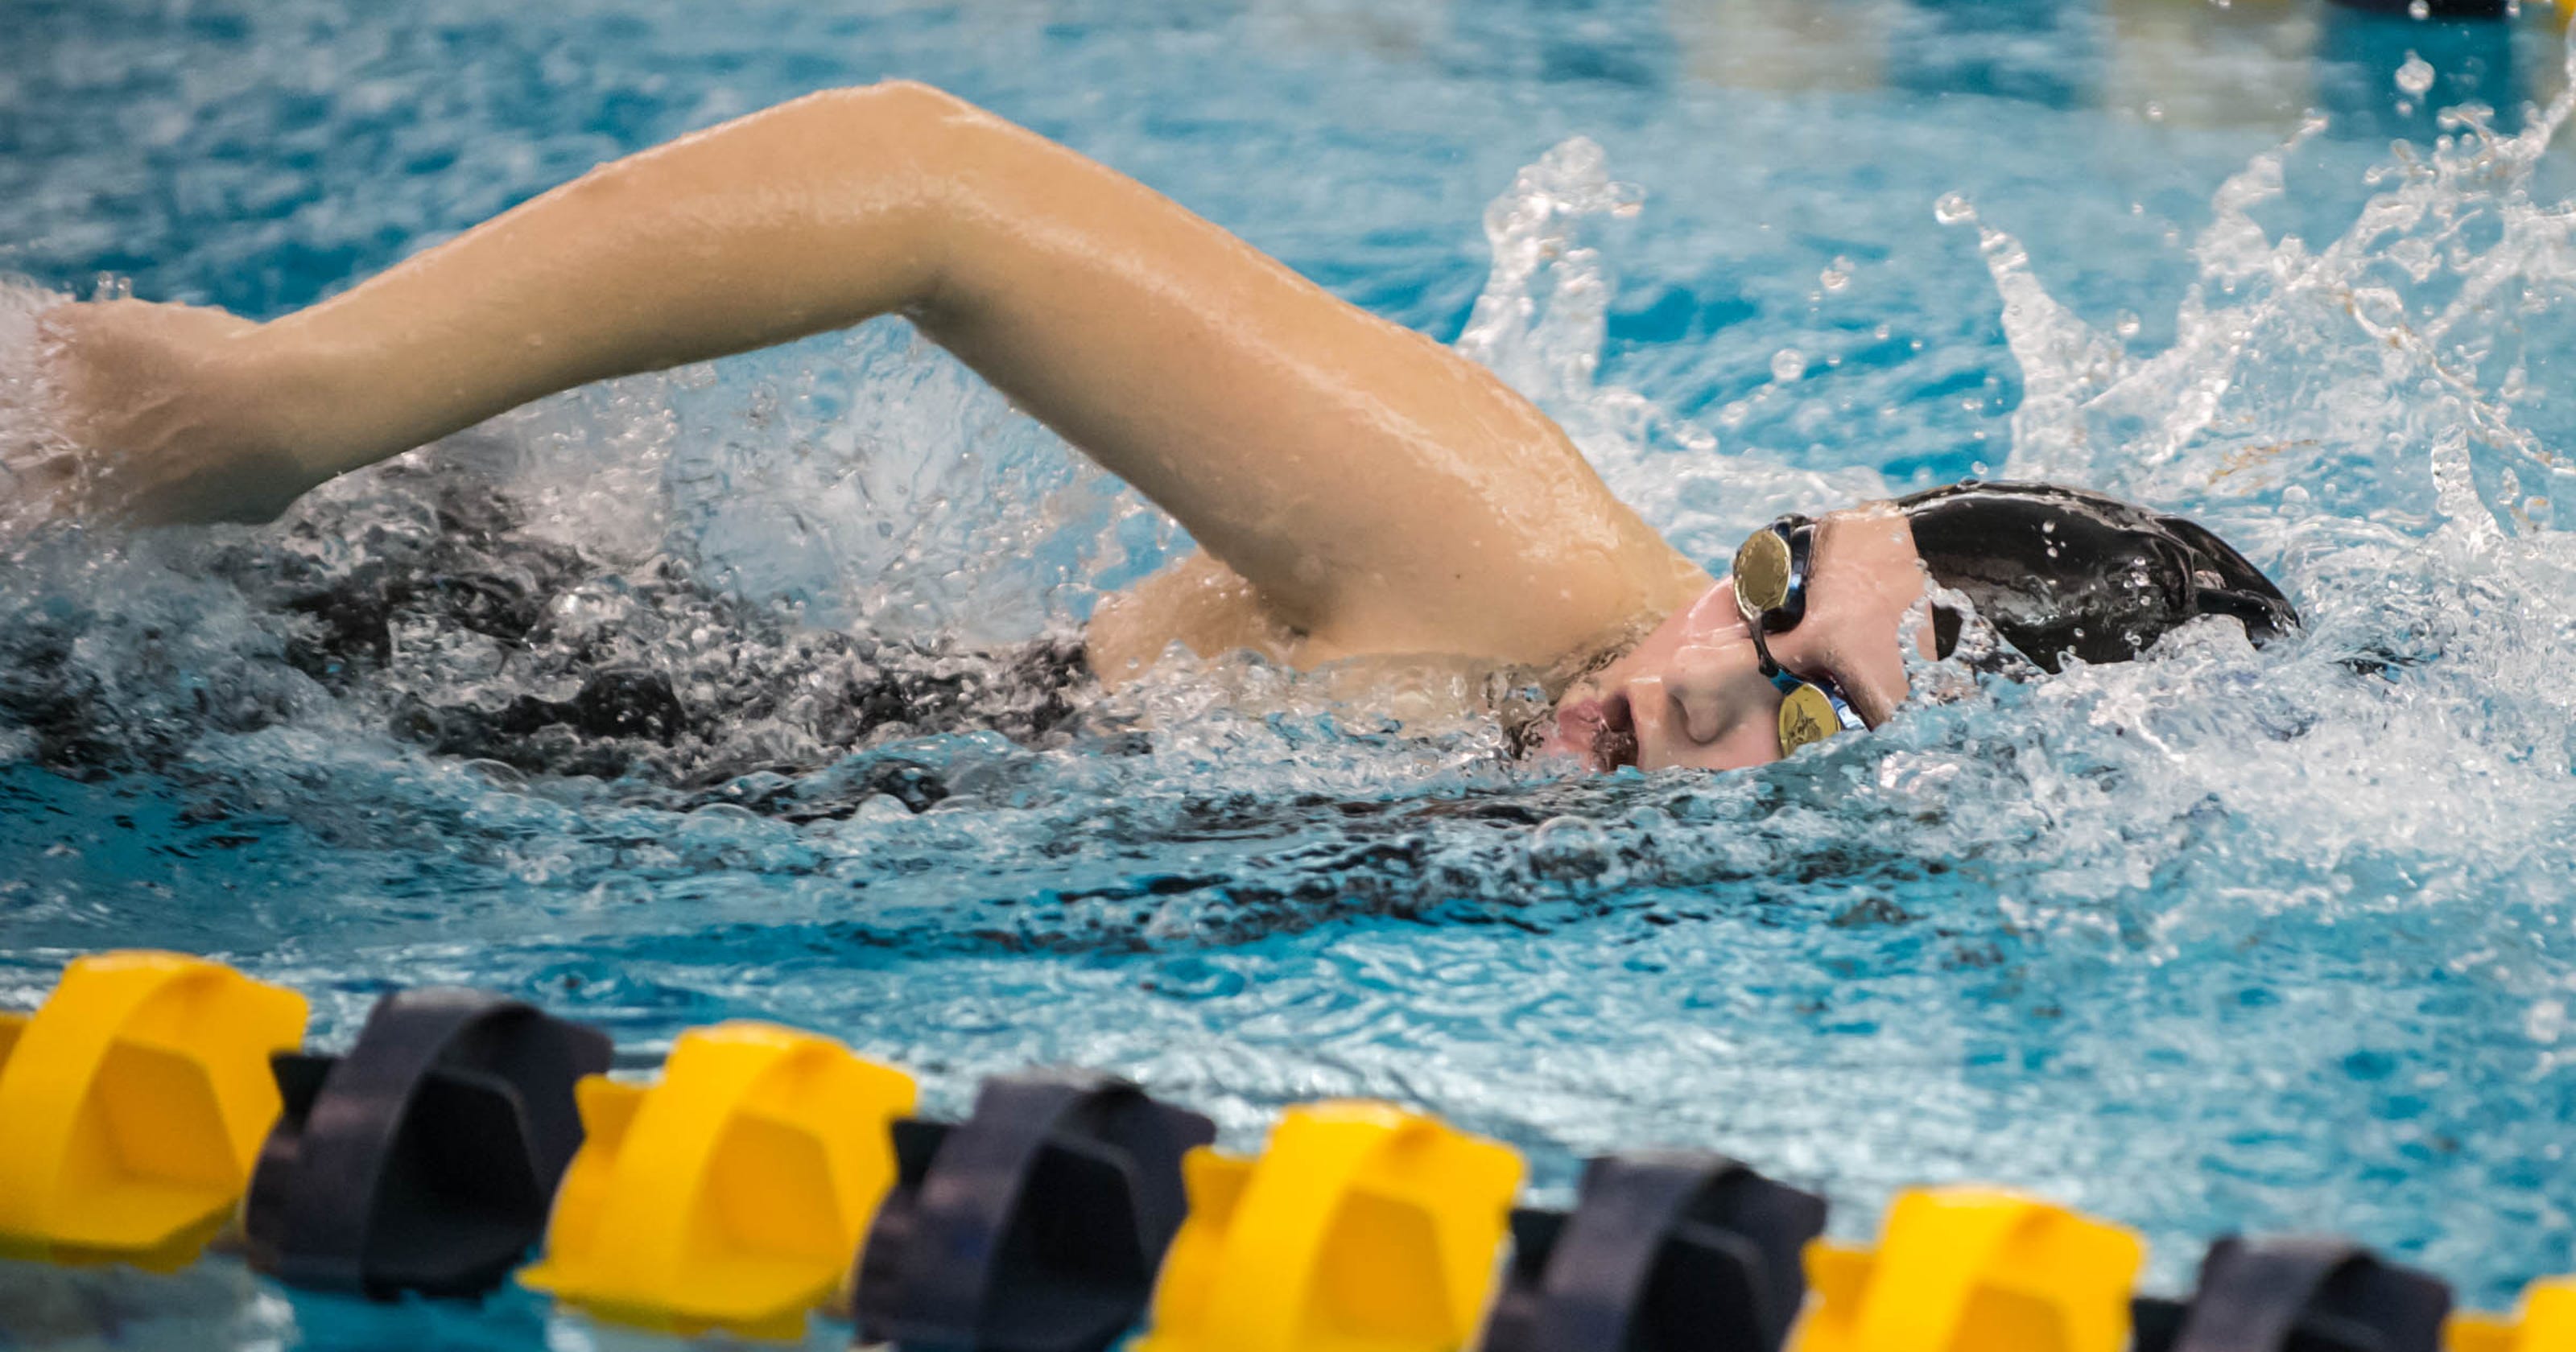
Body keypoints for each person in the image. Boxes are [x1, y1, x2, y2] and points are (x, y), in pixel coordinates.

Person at [6, 80, 2296, 775]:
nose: (1704, 657)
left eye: (1806, 692)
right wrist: (274, 411)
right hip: (370, 635)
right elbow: (932, 179)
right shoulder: (1507, 559)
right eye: (1773, 576)